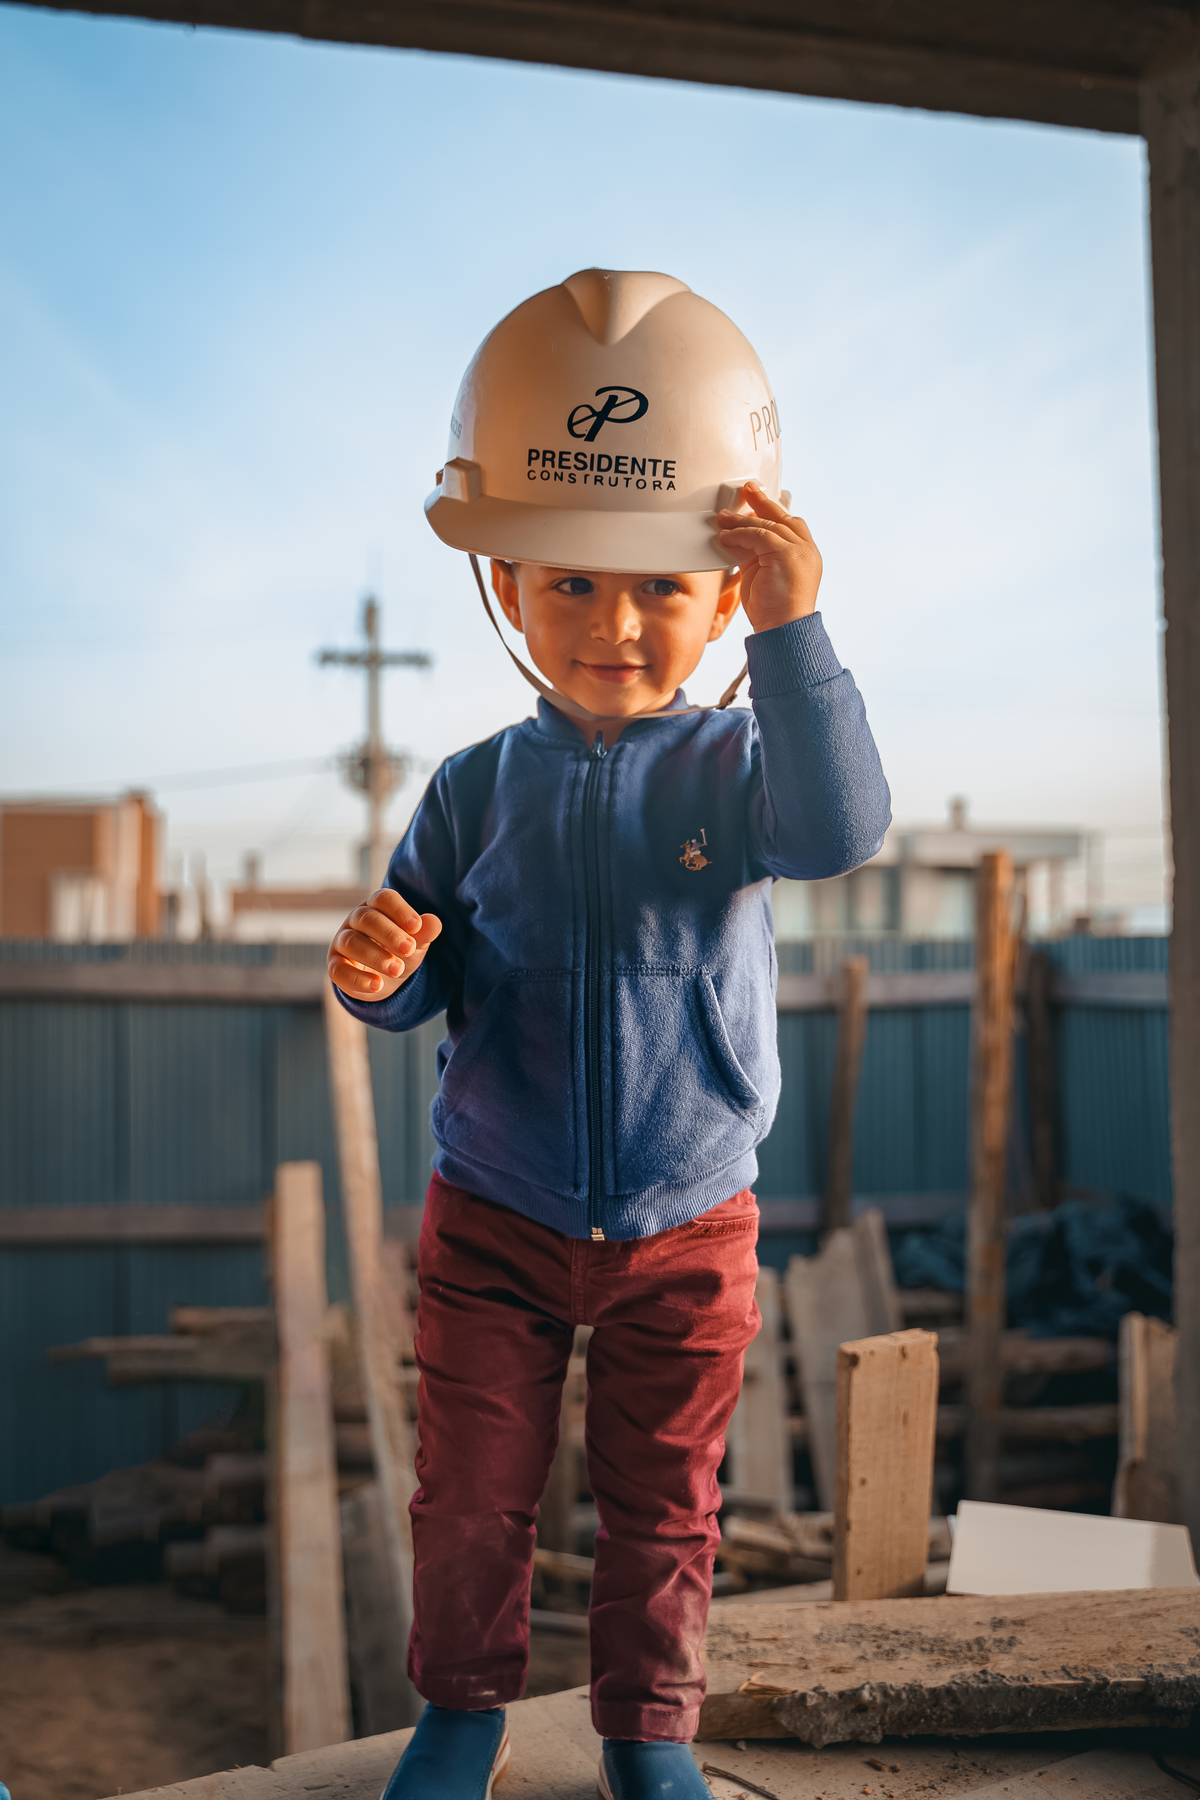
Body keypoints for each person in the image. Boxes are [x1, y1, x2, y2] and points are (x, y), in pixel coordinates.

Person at [328, 269, 890, 1800]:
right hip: (494, 1216)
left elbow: (841, 831)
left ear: (724, 596)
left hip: (688, 1222)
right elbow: (413, 970)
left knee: (665, 1506)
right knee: (471, 1503)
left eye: (659, 587)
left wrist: (800, 631)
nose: (616, 624)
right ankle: (460, 1723)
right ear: (504, 581)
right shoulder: (466, 789)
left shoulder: (741, 770)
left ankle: (652, 1740)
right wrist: (376, 972)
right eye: (571, 582)